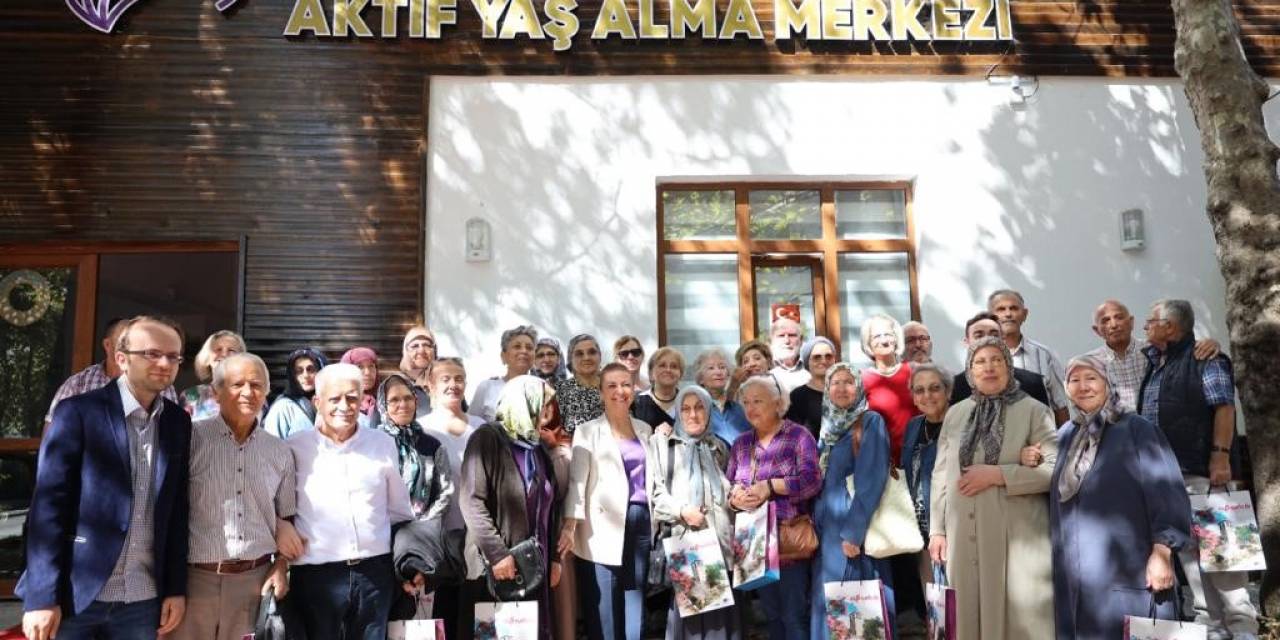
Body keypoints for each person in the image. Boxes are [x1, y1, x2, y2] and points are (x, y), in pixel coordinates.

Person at [20, 316, 192, 640]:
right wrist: (41, 596)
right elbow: (47, 509)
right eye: (152, 354)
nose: (165, 363)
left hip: (142, 599)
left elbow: (177, 513)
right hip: (75, 593)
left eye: (173, 356)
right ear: (122, 358)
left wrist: (174, 588)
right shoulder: (78, 412)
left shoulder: (177, 424)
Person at [1035, 355, 1191, 640]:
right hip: (1077, 573)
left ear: (1108, 383)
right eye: (1074, 380)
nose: (1083, 387)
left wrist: (1163, 553)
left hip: (1129, 567)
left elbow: (1167, 492)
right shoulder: (1067, 435)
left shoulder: (1136, 429)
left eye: (1091, 378)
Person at [1138, 299, 1255, 640]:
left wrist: (1220, 455)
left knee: (1224, 551)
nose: (1145, 328)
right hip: (1167, 476)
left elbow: (1223, 407)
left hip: (1203, 471)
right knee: (1189, 550)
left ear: (1170, 327)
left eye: (1150, 322)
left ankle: (1243, 625)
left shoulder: (1207, 358)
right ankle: (1211, 625)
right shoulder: (1155, 362)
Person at [927, 337, 1058, 640]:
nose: (989, 367)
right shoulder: (957, 413)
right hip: (963, 538)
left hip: (1016, 535)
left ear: (1009, 366)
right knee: (967, 617)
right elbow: (941, 473)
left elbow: (1053, 471)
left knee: (1018, 617)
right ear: (970, 371)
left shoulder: (1034, 410)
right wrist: (937, 529)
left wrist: (998, 475)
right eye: (980, 361)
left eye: (996, 360)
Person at [173, 353, 298, 640]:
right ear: (216, 393)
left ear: (266, 392)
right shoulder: (190, 440)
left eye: (256, 385)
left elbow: (287, 518)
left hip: (254, 583)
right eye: (237, 384)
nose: (247, 392)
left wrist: (280, 566)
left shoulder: (279, 451)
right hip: (194, 582)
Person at [287, 363, 415, 640]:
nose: (344, 406)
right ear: (317, 402)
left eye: (352, 398)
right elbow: (278, 506)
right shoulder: (294, 447)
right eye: (334, 399)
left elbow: (399, 510)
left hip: (374, 573)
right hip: (315, 575)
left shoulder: (382, 443)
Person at [457, 376, 563, 640]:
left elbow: (550, 507)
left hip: (532, 565)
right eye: (542, 404)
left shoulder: (536, 448)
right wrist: (497, 554)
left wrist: (554, 560)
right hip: (499, 565)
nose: (547, 412)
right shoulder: (487, 438)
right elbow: (471, 500)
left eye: (549, 405)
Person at [562, 363, 657, 640]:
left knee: (635, 600)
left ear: (634, 389)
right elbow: (577, 482)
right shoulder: (587, 431)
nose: (620, 391)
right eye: (612, 386)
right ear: (601, 392)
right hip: (600, 527)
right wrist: (570, 526)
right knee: (604, 606)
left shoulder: (645, 430)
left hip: (640, 522)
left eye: (626, 384)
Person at [725, 376, 821, 640]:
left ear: (778, 404)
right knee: (770, 615)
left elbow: (812, 482)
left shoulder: (799, 436)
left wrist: (770, 487)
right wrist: (735, 498)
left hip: (788, 540)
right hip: (754, 545)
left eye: (758, 401)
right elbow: (729, 485)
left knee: (794, 615)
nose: (751, 408)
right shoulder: (742, 443)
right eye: (746, 402)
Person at [810, 363, 895, 640]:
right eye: (835, 382)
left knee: (859, 613)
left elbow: (871, 479)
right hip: (828, 533)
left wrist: (853, 533)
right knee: (833, 611)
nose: (842, 388)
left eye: (848, 382)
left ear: (859, 388)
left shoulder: (869, 422)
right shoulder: (828, 429)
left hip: (853, 531)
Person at [650, 385, 740, 640]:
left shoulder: (719, 448)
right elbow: (656, 496)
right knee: (691, 628)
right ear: (677, 412)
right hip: (689, 551)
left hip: (721, 549)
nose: (692, 414)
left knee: (720, 628)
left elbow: (729, 492)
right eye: (686, 408)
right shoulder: (664, 446)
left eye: (699, 407)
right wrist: (682, 511)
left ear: (709, 411)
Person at [419, 357, 483, 637]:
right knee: (440, 614)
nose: (453, 384)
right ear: (430, 385)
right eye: (445, 379)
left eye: (458, 378)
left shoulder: (482, 427)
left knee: (475, 614)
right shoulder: (421, 429)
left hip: (477, 538)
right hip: (438, 539)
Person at [1086, 299, 1218, 411]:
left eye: (1119, 317)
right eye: (1105, 321)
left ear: (1131, 322)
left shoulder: (1153, 350)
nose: (1113, 325)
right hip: (1118, 437)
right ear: (1097, 330)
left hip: (1157, 436)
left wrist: (1210, 343)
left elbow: (1183, 347)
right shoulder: (1089, 365)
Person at [44, 317, 176, 427]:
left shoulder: (159, 384)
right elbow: (52, 435)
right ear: (108, 345)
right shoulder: (78, 384)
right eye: (123, 342)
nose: (130, 347)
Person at [899, 363, 951, 594]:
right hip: (922, 528)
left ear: (948, 391)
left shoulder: (961, 423)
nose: (927, 396)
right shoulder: (914, 425)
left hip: (953, 525)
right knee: (934, 599)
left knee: (957, 598)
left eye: (934, 388)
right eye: (919, 390)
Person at [377, 374, 454, 522]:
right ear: (382, 406)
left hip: (422, 531)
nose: (403, 404)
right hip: (381, 530)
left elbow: (445, 491)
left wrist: (423, 523)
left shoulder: (432, 445)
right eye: (394, 400)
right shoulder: (374, 443)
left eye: (408, 398)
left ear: (416, 401)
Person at [987, 289, 1069, 425]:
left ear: (1024, 314)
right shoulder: (980, 359)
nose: (1008, 314)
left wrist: (1064, 444)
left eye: (1013, 308)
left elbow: (1060, 406)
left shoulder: (1044, 356)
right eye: (1001, 309)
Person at [950, 312, 1051, 408]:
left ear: (1003, 341)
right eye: (979, 336)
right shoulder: (953, 388)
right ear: (967, 343)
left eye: (994, 335)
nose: (987, 340)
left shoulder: (1033, 383)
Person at [539, 404, 578, 640]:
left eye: (546, 406)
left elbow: (564, 490)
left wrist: (550, 448)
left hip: (557, 536)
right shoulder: (508, 444)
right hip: (524, 539)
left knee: (562, 611)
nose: (541, 412)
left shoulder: (565, 449)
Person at [859, 314, 918, 466]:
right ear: (868, 343)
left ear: (896, 338)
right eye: (877, 336)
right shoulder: (862, 380)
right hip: (883, 462)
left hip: (919, 457)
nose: (884, 340)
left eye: (888, 334)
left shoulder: (915, 371)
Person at [470, 325, 538, 422]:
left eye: (529, 347)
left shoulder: (543, 390)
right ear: (504, 356)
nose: (524, 351)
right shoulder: (487, 388)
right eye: (517, 346)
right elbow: (471, 426)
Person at [691, 348, 750, 450]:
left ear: (728, 374)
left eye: (722, 367)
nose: (718, 372)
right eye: (711, 368)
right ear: (700, 379)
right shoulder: (694, 409)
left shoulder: (739, 408)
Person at [263, 346, 327, 439]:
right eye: (299, 371)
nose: (305, 375)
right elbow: (271, 447)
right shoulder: (283, 408)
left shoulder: (331, 403)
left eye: (311, 369)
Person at [181, 330, 246, 421]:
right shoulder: (190, 396)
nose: (224, 354)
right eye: (218, 349)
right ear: (207, 357)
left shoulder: (252, 394)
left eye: (231, 350)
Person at [783, 336, 837, 440]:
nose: (823, 360)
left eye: (828, 356)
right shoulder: (797, 396)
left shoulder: (845, 392)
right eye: (817, 357)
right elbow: (792, 436)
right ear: (808, 361)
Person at [554, 334, 606, 433]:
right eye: (579, 354)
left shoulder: (614, 386)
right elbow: (553, 433)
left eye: (592, 352)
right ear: (570, 359)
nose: (586, 357)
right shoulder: (560, 391)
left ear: (600, 356)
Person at [632, 346, 684, 431]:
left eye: (674, 366)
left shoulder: (687, 401)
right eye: (662, 365)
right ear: (651, 373)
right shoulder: (636, 403)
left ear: (680, 374)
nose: (668, 370)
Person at [400, 325, 438, 419]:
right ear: (406, 351)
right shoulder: (394, 386)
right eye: (414, 346)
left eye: (427, 345)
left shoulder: (447, 384)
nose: (421, 350)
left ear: (434, 351)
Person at [340, 347, 381, 428]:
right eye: (360, 367)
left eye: (371, 366)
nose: (367, 373)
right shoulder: (335, 404)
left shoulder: (385, 402)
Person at [767, 317, 809, 392]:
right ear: (771, 341)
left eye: (792, 335)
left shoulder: (811, 366)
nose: (787, 341)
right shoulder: (763, 368)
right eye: (781, 336)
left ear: (801, 340)